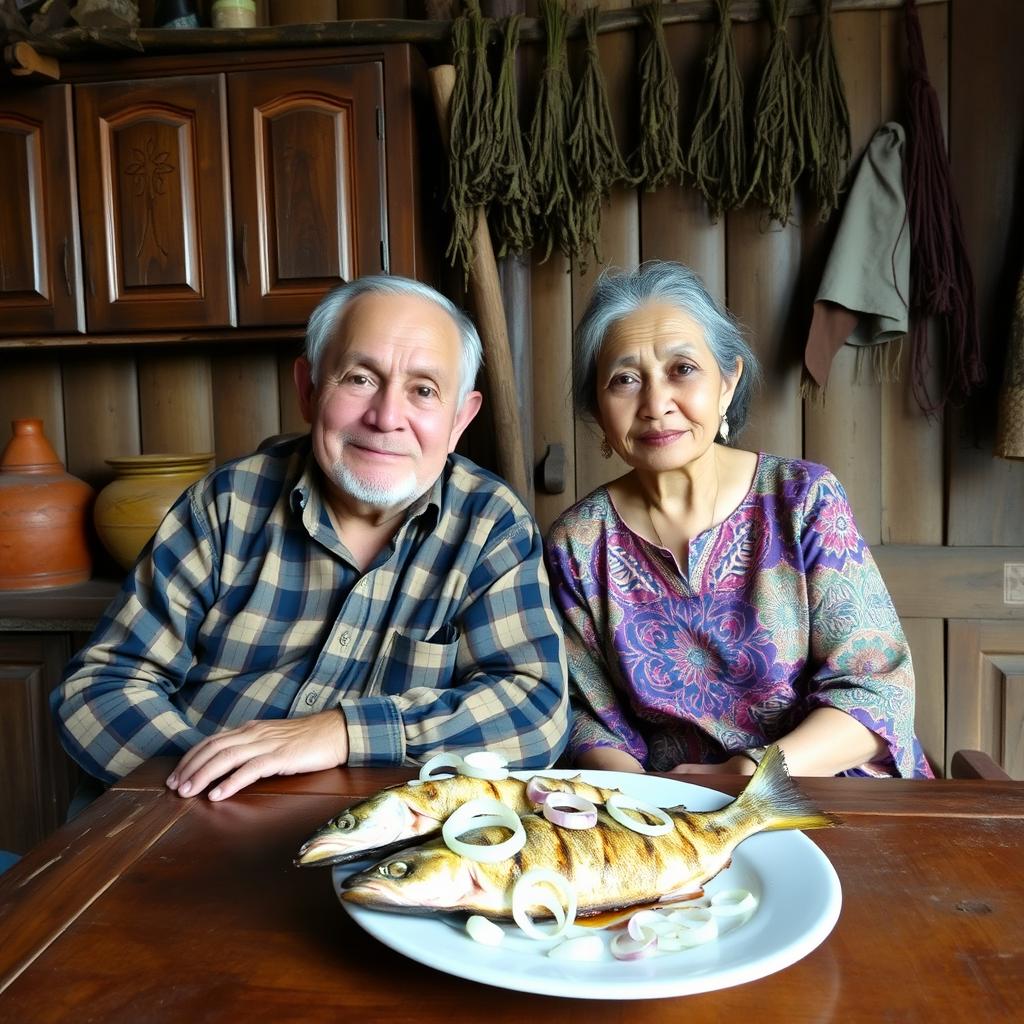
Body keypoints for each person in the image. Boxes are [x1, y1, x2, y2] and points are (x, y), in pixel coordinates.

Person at [53, 275, 569, 801]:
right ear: (308, 388)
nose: (387, 417)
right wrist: (222, 780)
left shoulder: (489, 525)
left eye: (423, 390)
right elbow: (100, 688)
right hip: (182, 818)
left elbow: (534, 712)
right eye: (360, 378)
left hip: (371, 838)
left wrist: (343, 731)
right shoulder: (225, 505)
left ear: (460, 419)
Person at [544, 261, 932, 778]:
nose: (656, 404)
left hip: (829, 792)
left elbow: (877, 691)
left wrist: (748, 773)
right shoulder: (579, 541)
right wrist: (643, 810)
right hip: (674, 811)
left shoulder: (801, 500)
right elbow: (590, 717)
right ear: (599, 405)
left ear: (728, 382)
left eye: (682, 370)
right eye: (624, 379)